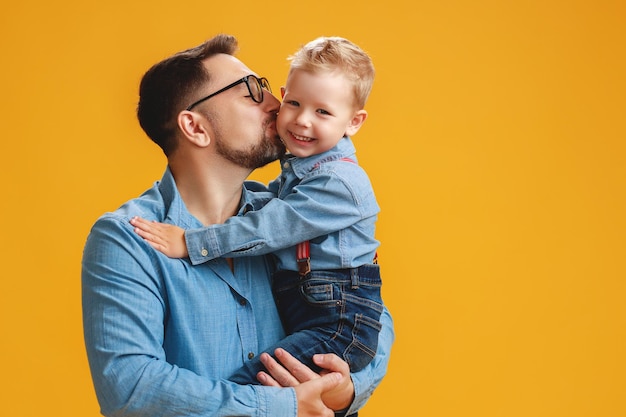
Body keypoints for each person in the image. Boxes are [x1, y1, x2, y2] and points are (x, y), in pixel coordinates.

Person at [82, 33, 394, 417]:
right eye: (250, 91)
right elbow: (131, 388)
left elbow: (371, 318)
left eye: (265, 85)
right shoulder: (128, 239)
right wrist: (284, 405)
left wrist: (344, 391)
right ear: (195, 127)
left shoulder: (285, 211)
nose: (277, 106)